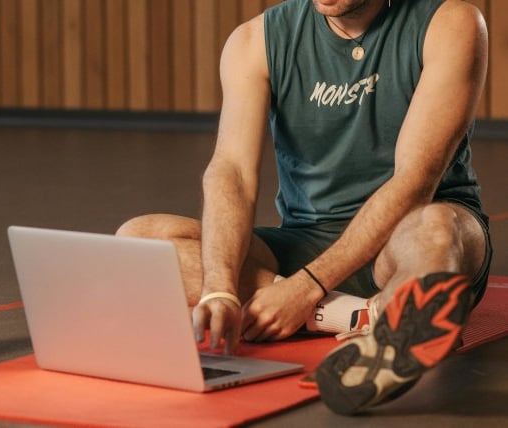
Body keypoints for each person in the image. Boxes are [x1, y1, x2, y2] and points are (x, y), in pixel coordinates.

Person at [116, 0, 491, 415]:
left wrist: (306, 286)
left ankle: (400, 317)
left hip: (409, 235)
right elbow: (233, 172)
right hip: (306, 239)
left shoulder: (451, 23)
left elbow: (414, 181)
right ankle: (361, 315)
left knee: (438, 228)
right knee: (139, 239)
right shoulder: (253, 41)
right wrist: (219, 287)